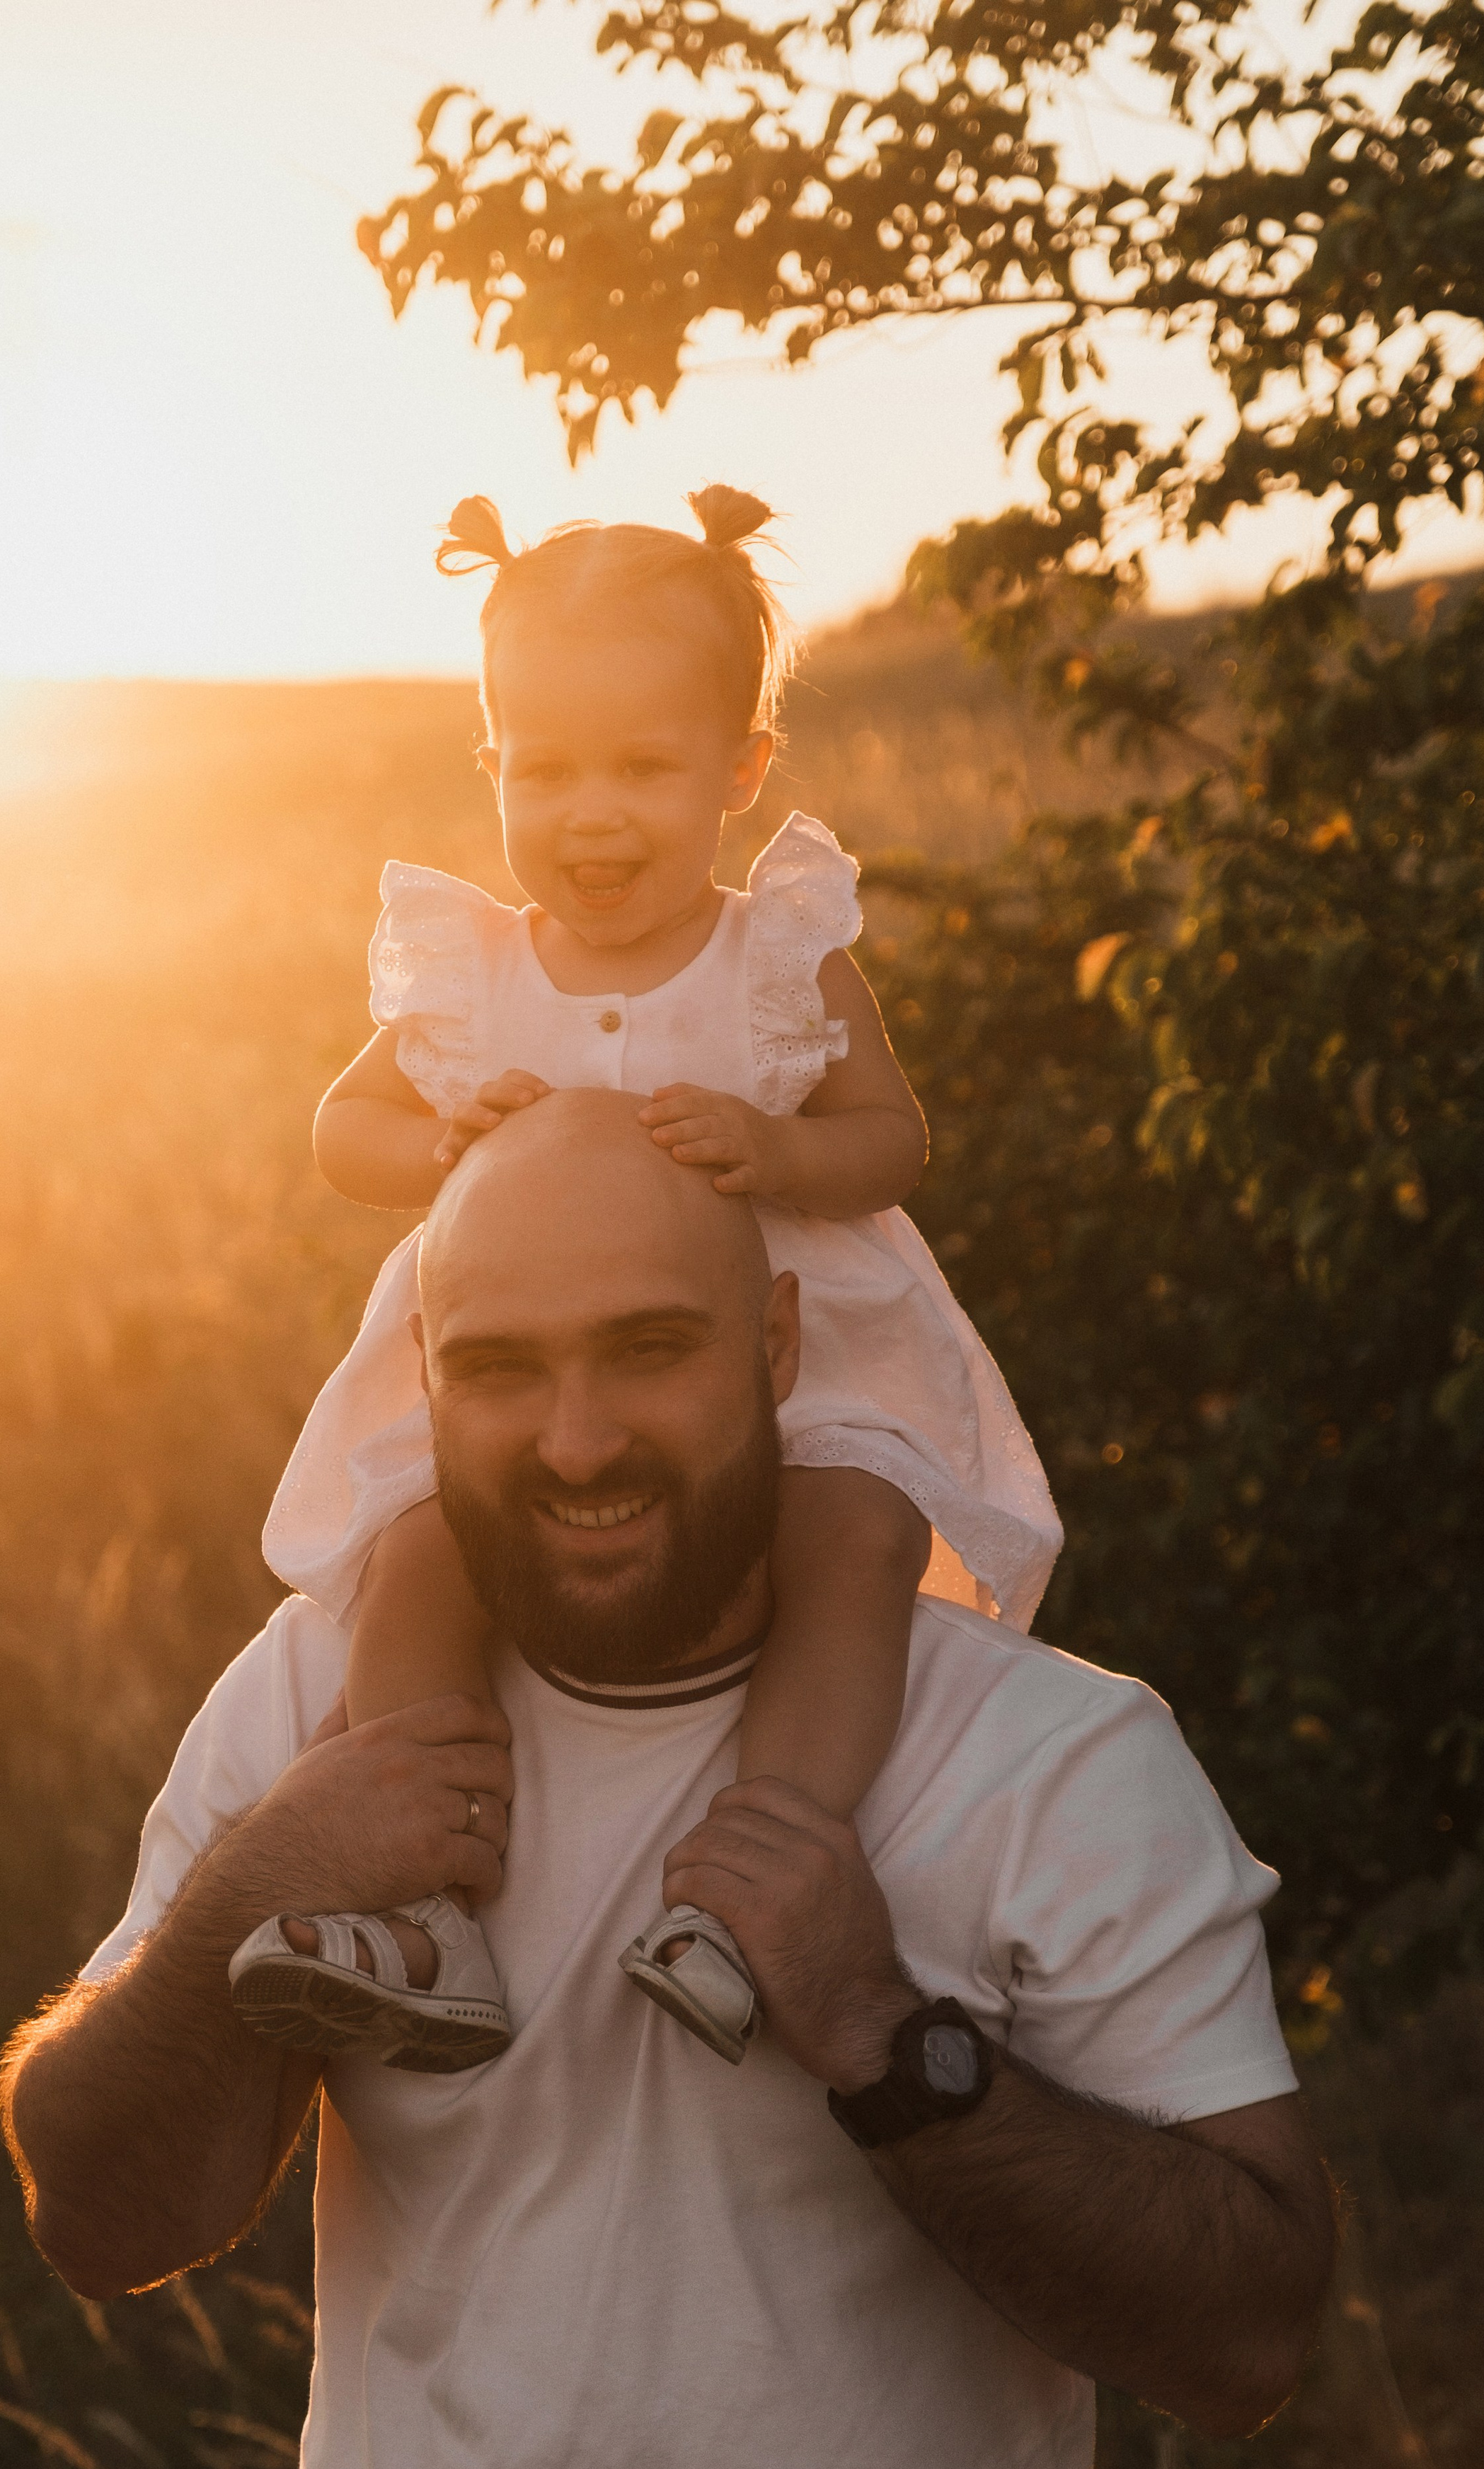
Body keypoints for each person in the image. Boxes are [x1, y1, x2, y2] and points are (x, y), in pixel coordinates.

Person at [0, 1090, 1337, 2469]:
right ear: (417, 1375)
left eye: (646, 1347)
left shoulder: (1046, 1755)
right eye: (497, 1367)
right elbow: (102, 2220)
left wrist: (876, 2034)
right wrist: (258, 1895)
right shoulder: (312, 1703)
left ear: (776, 1346)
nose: (573, 1440)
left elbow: (1247, 2343)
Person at [254, 484, 1062, 2069]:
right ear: (490, 766)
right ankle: (430, 1913)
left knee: (850, 1533)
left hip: (804, 1347)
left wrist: (776, 1154)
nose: (593, 813)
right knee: (418, 1552)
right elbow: (339, 1130)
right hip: (524, 1364)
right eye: (545, 769)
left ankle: (749, 1887)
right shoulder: (472, 971)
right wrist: (440, 1145)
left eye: (642, 765)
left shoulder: (774, 954)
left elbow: (890, 1142)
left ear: (738, 770)